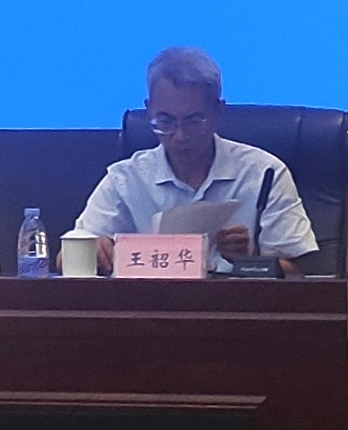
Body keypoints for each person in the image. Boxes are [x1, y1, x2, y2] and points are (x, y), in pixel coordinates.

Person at [75, 47, 318, 273]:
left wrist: (249, 261)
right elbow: (66, 260)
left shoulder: (264, 172)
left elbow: (302, 270)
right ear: (149, 110)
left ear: (218, 111)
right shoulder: (125, 179)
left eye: (194, 121)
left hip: (239, 302)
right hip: (150, 302)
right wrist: (92, 250)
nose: (180, 136)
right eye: (165, 121)